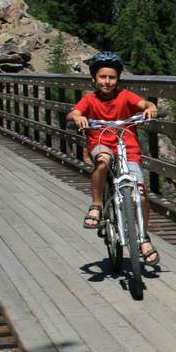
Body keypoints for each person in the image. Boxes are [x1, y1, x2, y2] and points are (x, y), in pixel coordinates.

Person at [66, 51, 159, 265]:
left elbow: (143, 104)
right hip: (100, 141)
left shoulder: (125, 96)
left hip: (127, 145)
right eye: (102, 77)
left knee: (141, 192)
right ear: (94, 79)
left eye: (112, 77)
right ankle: (97, 205)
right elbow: (73, 114)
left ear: (118, 79)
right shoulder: (90, 99)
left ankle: (143, 237)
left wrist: (150, 107)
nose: (107, 81)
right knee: (102, 161)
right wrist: (79, 117)